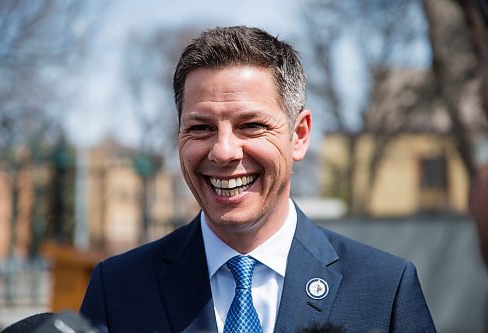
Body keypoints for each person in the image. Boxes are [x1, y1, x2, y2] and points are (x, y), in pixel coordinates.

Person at [80, 26, 436, 333]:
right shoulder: (118, 287)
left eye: (251, 126)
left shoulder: (385, 289)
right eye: (200, 128)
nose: (223, 151)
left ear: (299, 135)